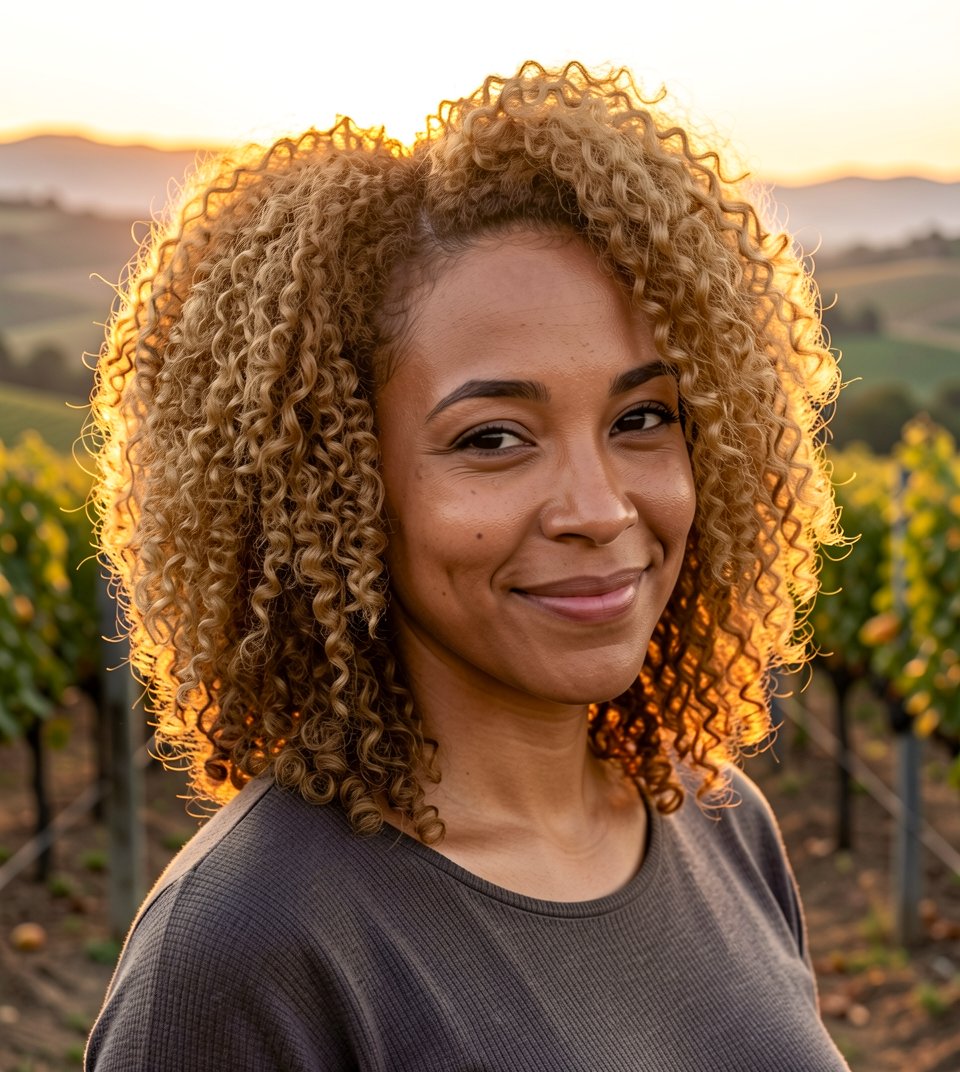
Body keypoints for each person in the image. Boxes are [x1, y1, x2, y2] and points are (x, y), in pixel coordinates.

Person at [85, 61, 849, 1070]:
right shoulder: (245, 952)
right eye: (493, 438)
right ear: (336, 486)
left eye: (643, 417)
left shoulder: (720, 821)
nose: (600, 506)